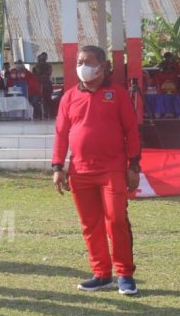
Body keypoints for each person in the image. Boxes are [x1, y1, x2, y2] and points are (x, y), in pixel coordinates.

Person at [52, 45, 141, 295]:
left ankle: (125, 274)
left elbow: (132, 131)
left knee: (116, 221)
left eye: (88, 61)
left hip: (112, 170)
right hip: (80, 171)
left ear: (102, 66)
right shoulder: (69, 96)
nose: (82, 66)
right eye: (79, 61)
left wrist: (134, 165)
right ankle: (102, 274)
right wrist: (58, 166)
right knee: (90, 225)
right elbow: (61, 133)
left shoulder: (118, 94)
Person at [34, 52, 54, 120]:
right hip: (42, 85)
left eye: (44, 57)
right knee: (43, 100)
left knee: (46, 100)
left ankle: (47, 114)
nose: (43, 58)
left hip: (45, 85)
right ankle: (45, 115)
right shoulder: (38, 66)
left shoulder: (45, 66)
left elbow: (39, 73)